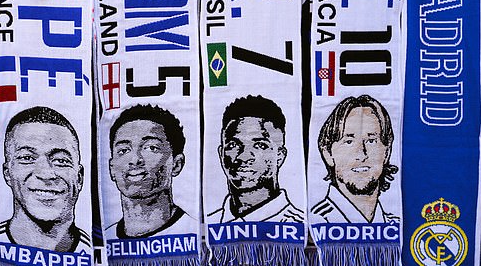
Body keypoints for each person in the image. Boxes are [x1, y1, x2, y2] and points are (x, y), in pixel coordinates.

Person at [0, 106, 91, 252]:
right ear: (7, 173)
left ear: (79, 178)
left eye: (61, 160)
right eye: (27, 158)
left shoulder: (98, 251)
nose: (46, 174)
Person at [208, 95, 303, 223]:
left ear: (280, 156)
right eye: (233, 145)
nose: (244, 156)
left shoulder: (296, 225)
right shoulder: (210, 224)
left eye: (260, 145)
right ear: (221, 153)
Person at [106, 104, 191, 238]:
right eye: (124, 150)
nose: (135, 159)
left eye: (151, 148)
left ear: (176, 164)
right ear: (111, 168)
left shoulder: (191, 231)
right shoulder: (106, 238)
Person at [311, 95, 399, 223]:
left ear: (387, 151)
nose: (361, 154)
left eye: (371, 141)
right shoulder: (317, 221)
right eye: (349, 142)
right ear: (328, 154)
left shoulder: (397, 225)